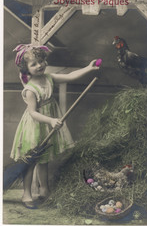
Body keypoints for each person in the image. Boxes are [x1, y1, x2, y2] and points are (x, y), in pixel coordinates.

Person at [10, 44, 100, 209]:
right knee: (30, 161)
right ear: (26, 69)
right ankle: (27, 194)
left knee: (43, 160)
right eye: (34, 64)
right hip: (35, 126)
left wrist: (88, 68)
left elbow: (71, 76)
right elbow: (32, 113)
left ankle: (44, 191)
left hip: (47, 125)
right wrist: (51, 120)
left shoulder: (49, 78)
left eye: (41, 61)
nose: (40, 65)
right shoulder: (30, 89)